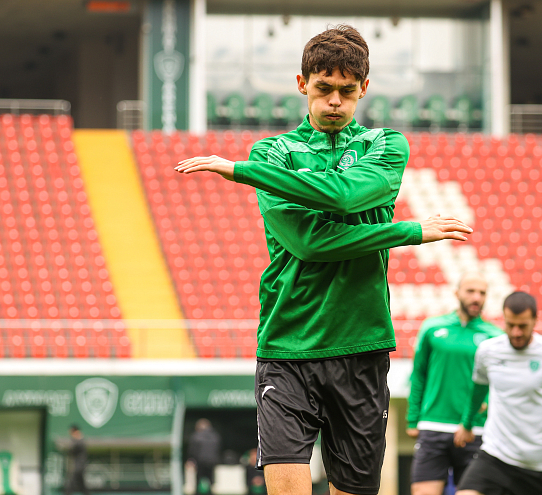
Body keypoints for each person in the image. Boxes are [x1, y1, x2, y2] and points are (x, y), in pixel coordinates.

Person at [176, 25, 473, 495]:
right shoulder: (272, 151)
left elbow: (344, 195)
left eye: (346, 91)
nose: (334, 101)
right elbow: (309, 243)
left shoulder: (386, 144)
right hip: (287, 346)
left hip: (361, 345)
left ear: (364, 89)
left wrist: (244, 173)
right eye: (323, 88)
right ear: (302, 84)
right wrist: (410, 231)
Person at [453, 291, 542, 495]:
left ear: (535, 320)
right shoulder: (488, 351)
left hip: (540, 465)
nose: (516, 332)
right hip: (496, 455)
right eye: (510, 325)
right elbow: (478, 390)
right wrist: (467, 423)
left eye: (523, 326)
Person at [406, 273, 503, 495]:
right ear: (457, 293)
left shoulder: (495, 336)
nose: (477, 297)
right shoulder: (432, 327)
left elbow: (499, 383)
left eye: (482, 293)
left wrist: (485, 405)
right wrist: (413, 419)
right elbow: (419, 375)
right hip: (433, 426)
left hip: (475, 430)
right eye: (471, 291)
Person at [187, 419, 221, 495]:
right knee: (211, 480)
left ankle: (197, 492)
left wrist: (191, 460)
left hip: (200, 461)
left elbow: (192, 450)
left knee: (198, 479)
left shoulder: (196, 436)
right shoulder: (215, 436)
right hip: (212, 461)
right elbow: (218, 449)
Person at [63, 425, 89, 495]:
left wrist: (76, 439)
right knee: (81, 484)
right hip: (77, 465)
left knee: (72, 482)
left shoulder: (80, 440)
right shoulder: (76, 440)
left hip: (79, 466)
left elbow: (74, 449)